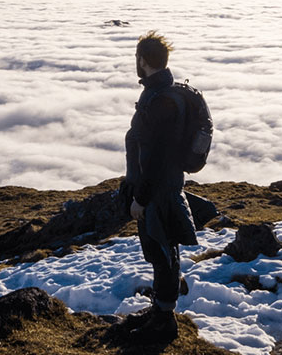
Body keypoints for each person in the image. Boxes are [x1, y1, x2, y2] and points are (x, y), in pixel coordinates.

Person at [119, 30, 200, 342]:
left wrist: (140, 197)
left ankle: (164, 321)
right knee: (163, 252)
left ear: (142, 61)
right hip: (166, 186)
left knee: (161, 252)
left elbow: (154, 157)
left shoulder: (159, 100)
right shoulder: (165, 92)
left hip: (158, 191)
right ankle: (162, 310)